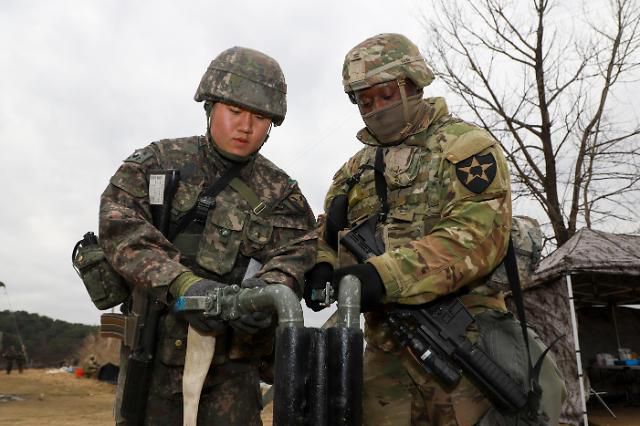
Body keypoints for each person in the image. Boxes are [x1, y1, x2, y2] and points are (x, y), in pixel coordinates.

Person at [304, 33, 565, 425]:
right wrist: (321, 264)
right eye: (364, 100)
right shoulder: (354, 170)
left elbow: (477, 236)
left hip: (461, 339)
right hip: (384, 350)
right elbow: (326, 231)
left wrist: (381, 276)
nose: (376, 108)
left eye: (385, 94)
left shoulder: (465, 147)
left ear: (414, 83)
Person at [99, 46, 316, 425]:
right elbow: (120, 226)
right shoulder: (157, 164)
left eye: (260, 117)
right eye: (235, 111)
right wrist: (183, 285)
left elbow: (300, 253)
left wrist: (263, 295)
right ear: (210, 106)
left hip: (232, 376)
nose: (246, 126)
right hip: (151, 361)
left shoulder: (283, 195)